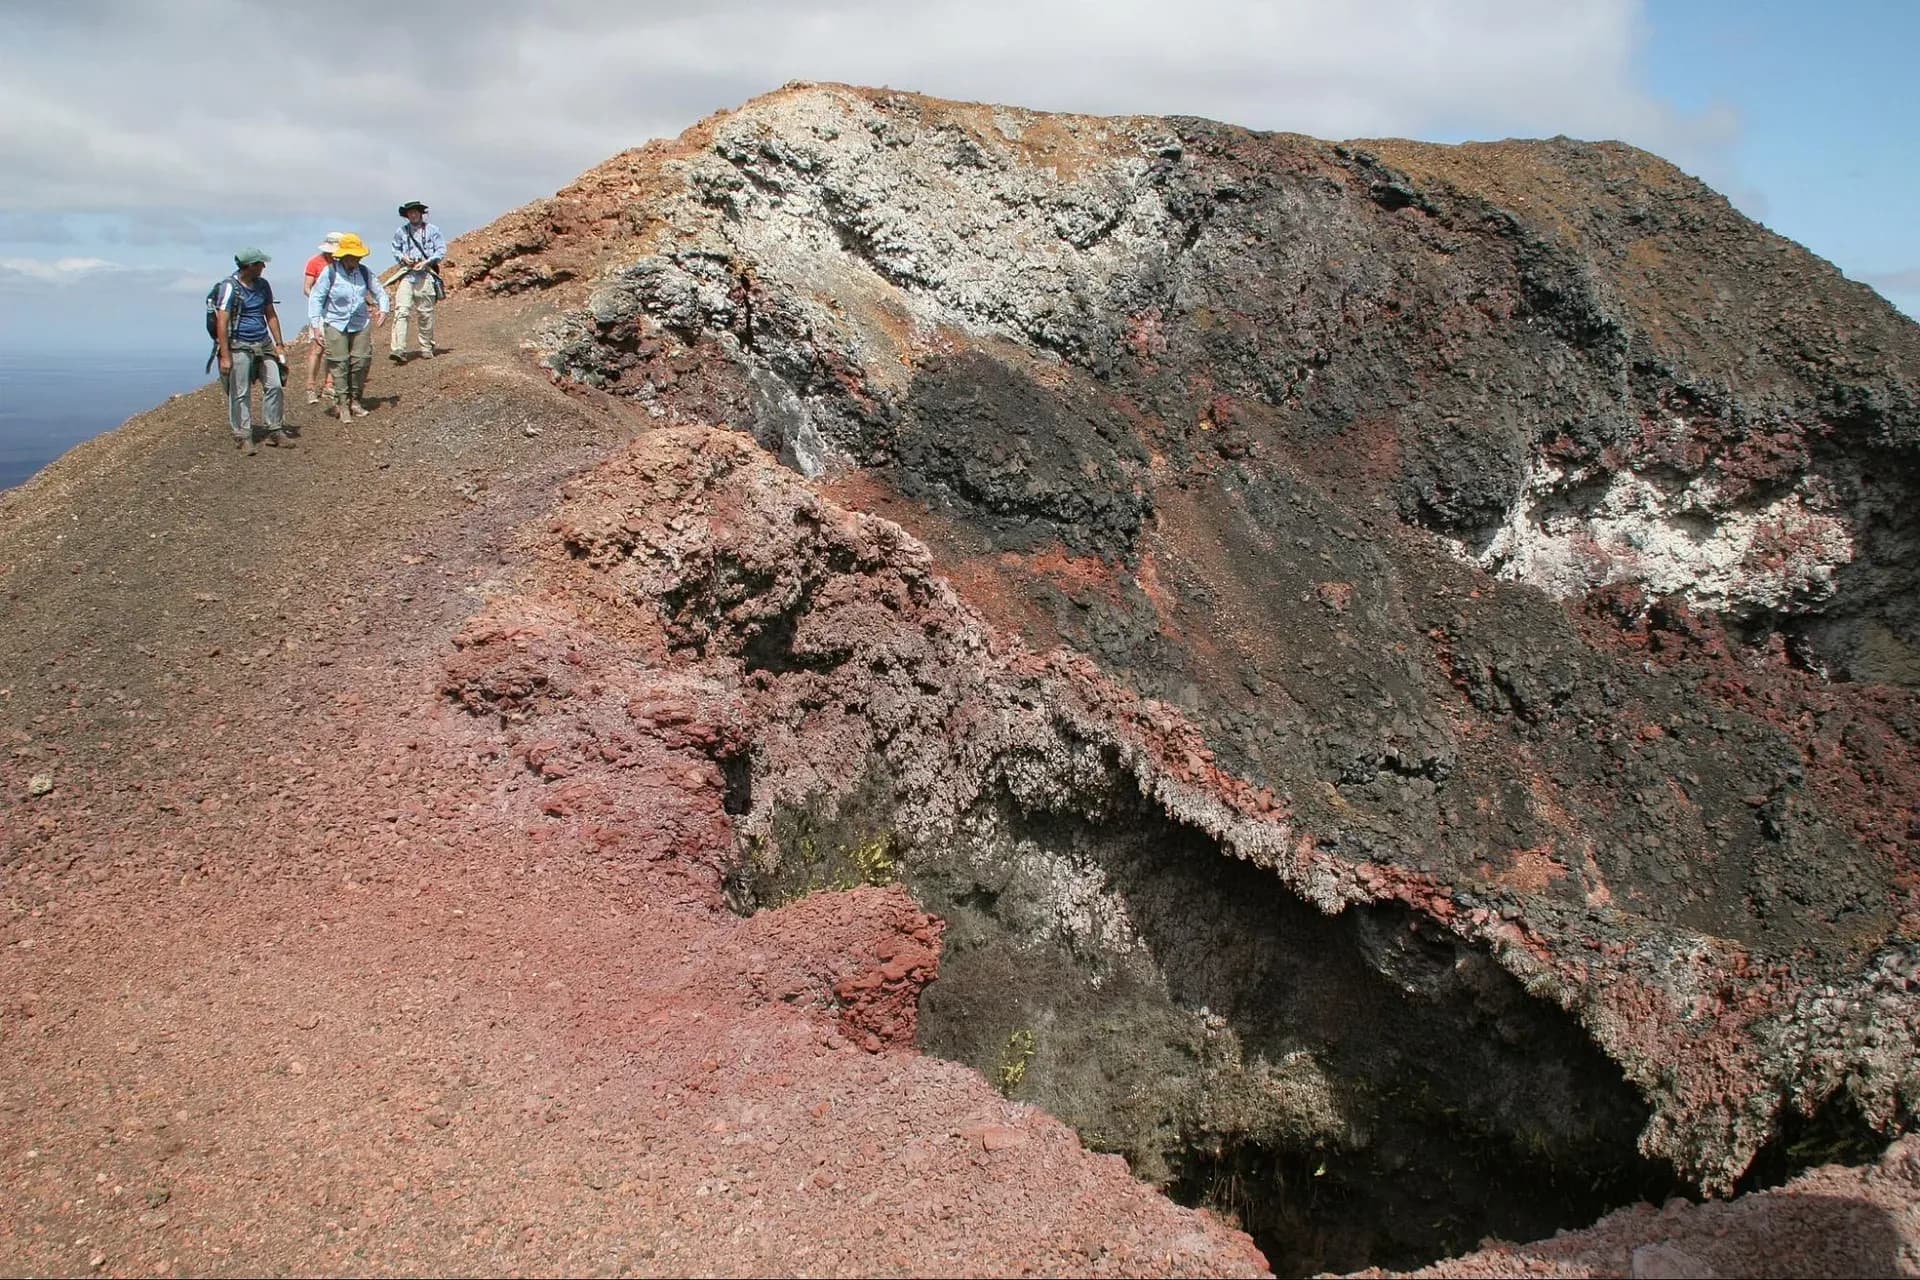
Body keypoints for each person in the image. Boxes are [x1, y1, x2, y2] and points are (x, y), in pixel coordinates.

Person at [214, 248, 293, 454]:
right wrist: (225, 355)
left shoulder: (263, 286)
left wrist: (279, 343)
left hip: (263, 342)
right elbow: (222, 322)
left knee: (275, 384)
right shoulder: (230, 287)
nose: (263, 267)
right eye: (259, 264)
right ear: (249, 266)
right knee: (241, 392)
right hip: (239, 344)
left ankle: (275, 428)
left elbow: (270, 313)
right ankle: (243, 435)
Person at [307, 233, 389, 425]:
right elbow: (316, 298)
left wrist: (383, 309)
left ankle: (355, 400)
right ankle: (342, 403)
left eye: (358, 256)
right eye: (352, 256)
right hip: (335, 322)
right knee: (339, 363)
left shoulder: (364, 272)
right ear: (343, 256)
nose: (356, 259)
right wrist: (316, 324)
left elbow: (380, 292)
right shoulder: (330, 273)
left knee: (361, 361)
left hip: (360, 322)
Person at [389, 200, 446, 362]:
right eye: (410, 212)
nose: (413, 214)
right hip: (407, 274)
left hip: (426, 274)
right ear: (406, 215)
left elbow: (441, 250)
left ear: (421, 213)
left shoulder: (433, 230)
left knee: (425, 313)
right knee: (402, 310)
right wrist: (403, 258)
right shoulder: (401, 232)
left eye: (415, 211)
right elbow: (395, 249)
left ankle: (426, 347)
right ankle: (399, 348)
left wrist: (427, 262)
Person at [301, 232, 343, 405]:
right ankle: (310, 387)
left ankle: (329, 385)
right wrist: (319, 301)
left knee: (334, 348)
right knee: (317, 348)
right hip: (320, 311)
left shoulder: (342, 264)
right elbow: (307, 288)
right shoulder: (315, 262)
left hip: (337, 312)